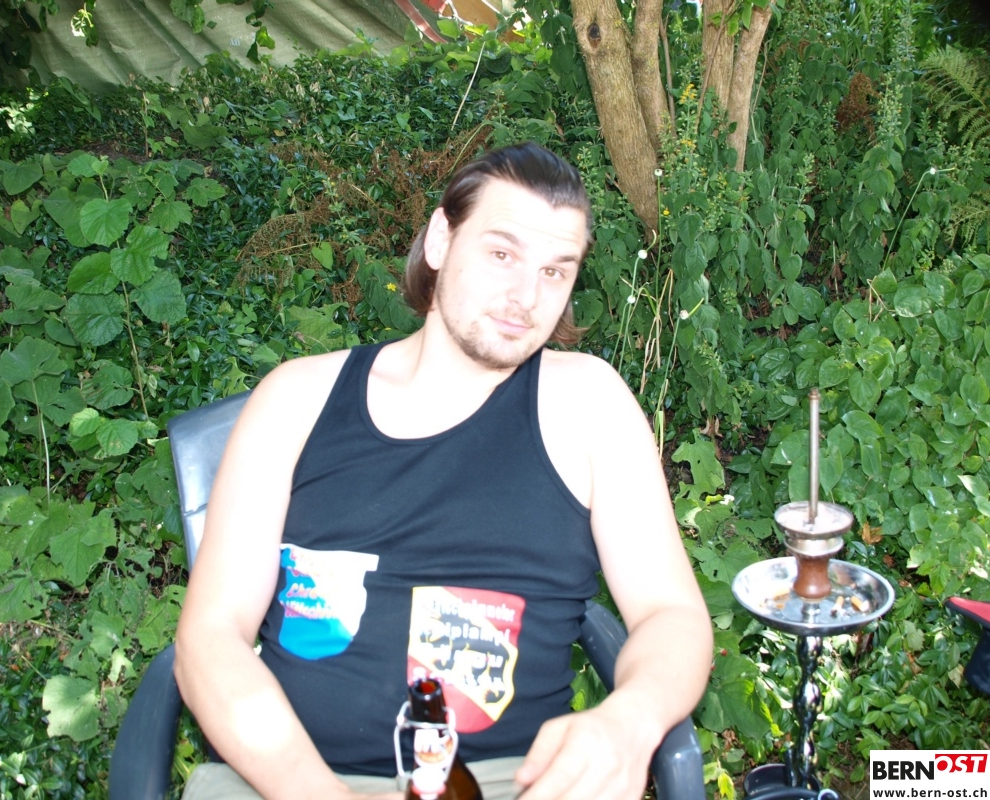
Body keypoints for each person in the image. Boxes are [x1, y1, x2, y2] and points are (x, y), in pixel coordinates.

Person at [174, 142, 713, 800]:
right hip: (286, 780)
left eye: (554, 271)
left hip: (507, 782)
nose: (526, 297)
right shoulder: (295, 401)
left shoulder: (588, 405)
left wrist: (630, 720)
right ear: (439, 240)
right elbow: (211, 636)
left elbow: (670, 615)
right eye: (502, 254)